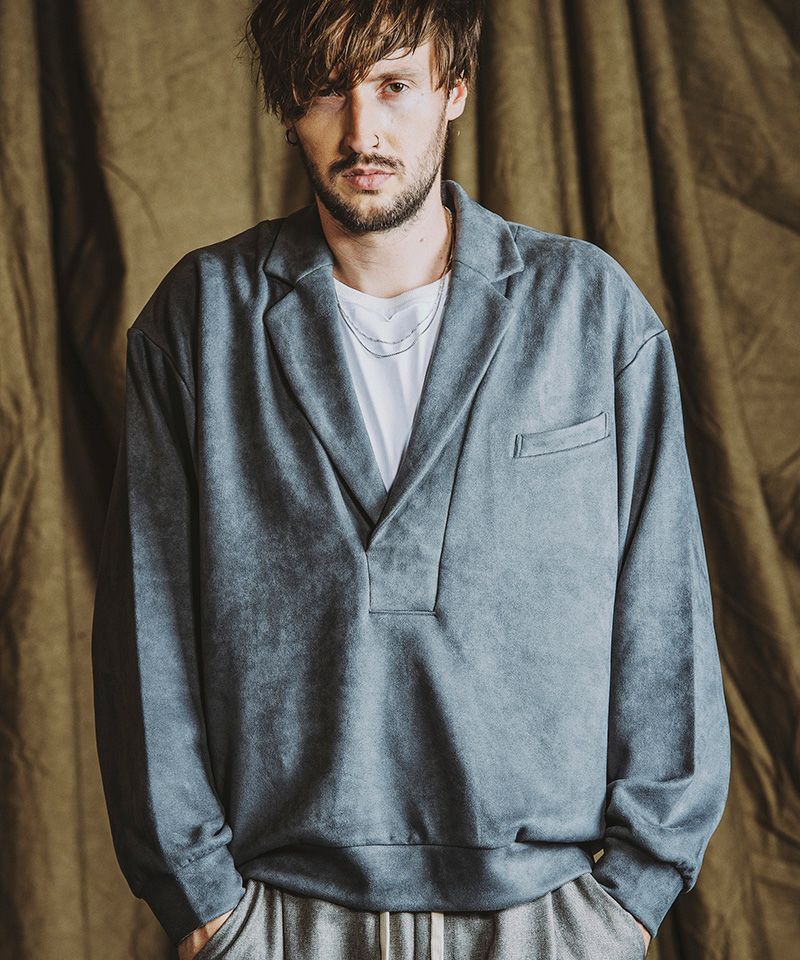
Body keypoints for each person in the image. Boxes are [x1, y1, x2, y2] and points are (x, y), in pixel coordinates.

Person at [90, 2, 731, 958]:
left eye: (394, 85)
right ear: (289, 108)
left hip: (549, 918)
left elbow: (665, 614)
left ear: (454, 91)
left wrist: (625, 904)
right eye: (327, 91)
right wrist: (207, 909)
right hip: (282, 920)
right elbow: (145, 636)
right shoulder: (201, 320)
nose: (363, 131)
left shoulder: (591, 314)